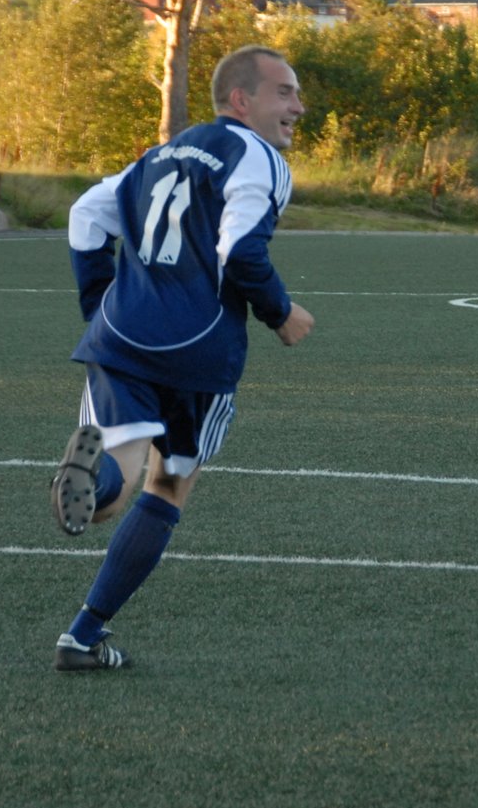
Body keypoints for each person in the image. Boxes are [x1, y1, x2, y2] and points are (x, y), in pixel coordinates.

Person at [47, 45, 316, 670]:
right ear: (241, 100)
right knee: (169, 485)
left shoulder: (162, 153)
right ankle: (84, 633)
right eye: (284, 92)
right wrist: (280, 312)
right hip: (198, 350)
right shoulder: (259, 157)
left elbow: (86, 214)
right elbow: (240, 252)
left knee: (115, 482)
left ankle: (90, 486)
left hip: (120, 337)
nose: (298, 107)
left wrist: (98, 304)